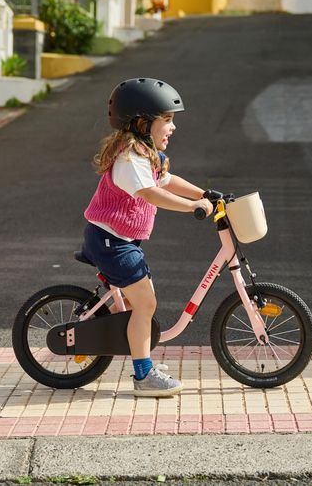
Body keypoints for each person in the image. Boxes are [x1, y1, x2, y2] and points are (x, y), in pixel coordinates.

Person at [81, 78, 213, 397]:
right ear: (142, 122)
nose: (172, 128)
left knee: (138, 303)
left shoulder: (146, 154)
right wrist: (193, 207)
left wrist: (207, 194)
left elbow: (167, 181)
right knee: (146, 303)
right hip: (112, 243)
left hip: (119, 241)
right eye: (166, 120)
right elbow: (151, 193)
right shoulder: (130, 158)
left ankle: (142, 356)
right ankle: (143, 376)